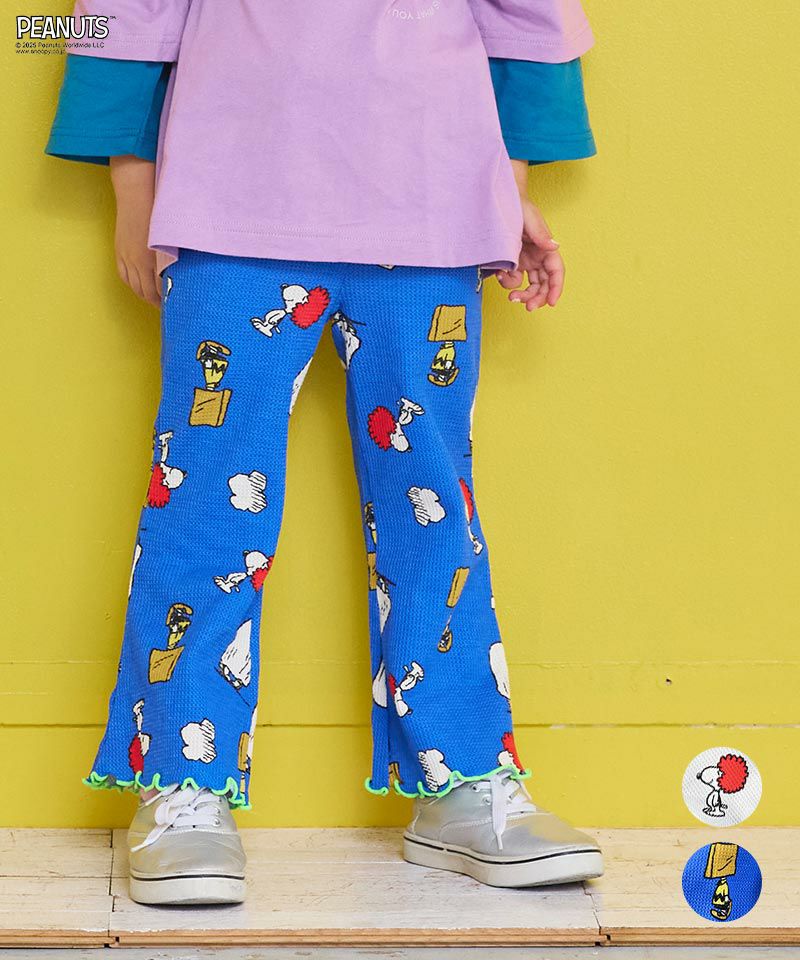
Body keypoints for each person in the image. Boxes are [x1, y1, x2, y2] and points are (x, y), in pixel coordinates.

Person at [47, 0, 601, 906]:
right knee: (202, 506)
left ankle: (462, 776)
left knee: (433, 505)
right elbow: (116, 10)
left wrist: (503, 186)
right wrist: (134, 187)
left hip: (430, 211)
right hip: (229, 214)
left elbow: (530, 19)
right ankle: (183, 780)